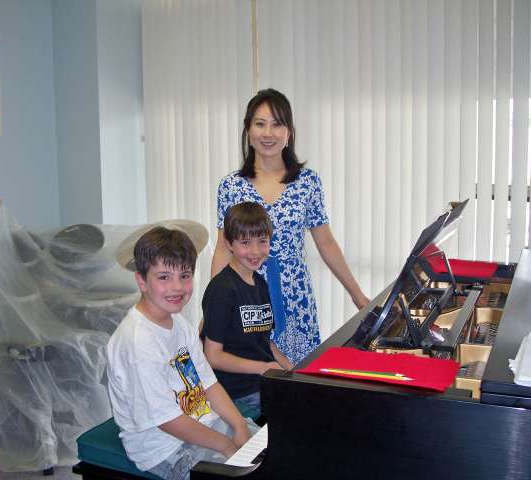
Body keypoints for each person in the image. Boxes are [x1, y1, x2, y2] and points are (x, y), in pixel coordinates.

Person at [211, 88, 370, 365]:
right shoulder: (231, 186)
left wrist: (358, 296)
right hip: (246, 297)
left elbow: (326, 242)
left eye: (277, 124)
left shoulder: (307, 182)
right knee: (254, 373)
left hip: (295, 297)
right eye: (260, 124)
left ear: (289, 132)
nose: (268, 133)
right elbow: (223, 249)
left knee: (297, 376)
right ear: (248, 130)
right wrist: (213, 307)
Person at [108, 223, 255, 480]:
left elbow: (209, 383)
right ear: (142, 281)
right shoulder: (137, 343)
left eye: (184, 276)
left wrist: (239, 425)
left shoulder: (179, 323)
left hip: (202, 422)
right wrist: (226, 445)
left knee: (277, 452)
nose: (177, 287)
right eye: (164, 277)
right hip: (165, 447)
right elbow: (168, 421)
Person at [201, 202, 293, 419]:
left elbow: (265, 342)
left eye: (262, 241)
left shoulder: (260, 284)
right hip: (237, 393)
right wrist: (262, 367)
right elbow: (212, 356)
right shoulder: (221, 289)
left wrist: (293, 371)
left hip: (263, 383)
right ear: (229, 243)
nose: (255, 251)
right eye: (245, 243)